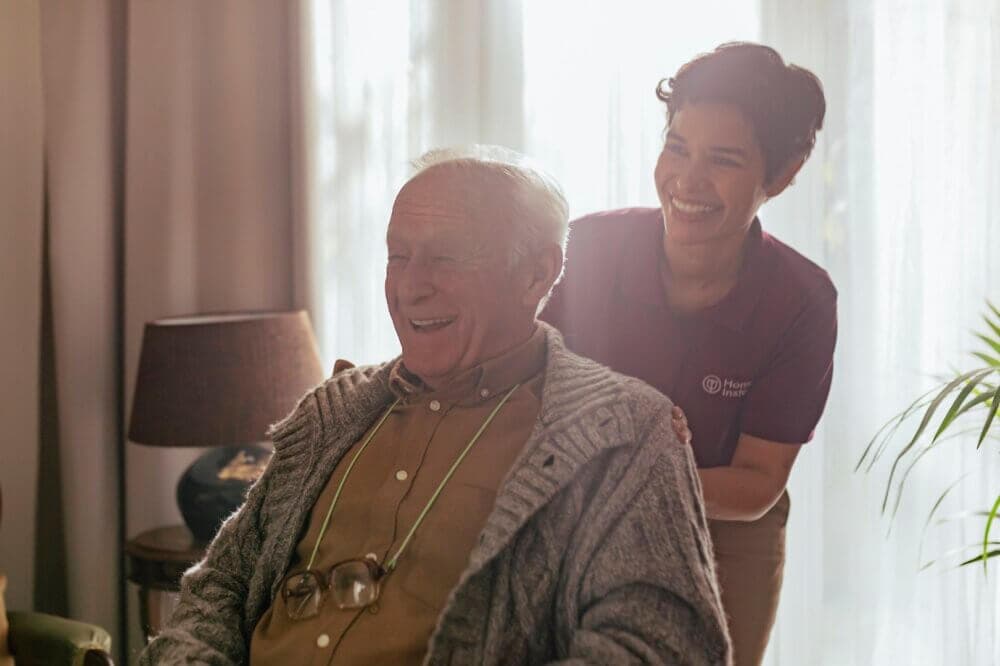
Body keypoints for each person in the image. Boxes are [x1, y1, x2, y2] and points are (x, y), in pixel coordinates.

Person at [140, 146, 731, 665]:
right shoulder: (330, 414)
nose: (411, 286)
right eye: (399, 255)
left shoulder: (625, 432)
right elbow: (218, 588)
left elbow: (663, 648)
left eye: (446, 258)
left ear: (537, 274)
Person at [541, 43, 837, 666]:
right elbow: (524, 388)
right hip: (581, 508)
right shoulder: (591, 248)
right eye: (677, 147)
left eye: (723, 161)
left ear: (780, 175)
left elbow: (757, 482)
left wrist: (638, 474)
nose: (688, 181)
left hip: (723, 530)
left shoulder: (801, 302)